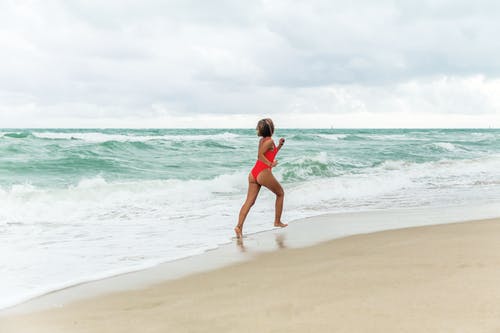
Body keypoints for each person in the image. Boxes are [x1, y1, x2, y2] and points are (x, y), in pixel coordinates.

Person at [234, 118, 288, 239]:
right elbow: (260, 156)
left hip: (254, 173)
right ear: (271, 129)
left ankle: (239, 227)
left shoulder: (263, 141)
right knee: (280, 193)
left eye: (257, 128)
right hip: (263, 172)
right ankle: (277, 221)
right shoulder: (269, 141)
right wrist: (270, 164)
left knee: (249, 202)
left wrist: (279, 145)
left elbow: (270, 153)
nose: (256, 130)